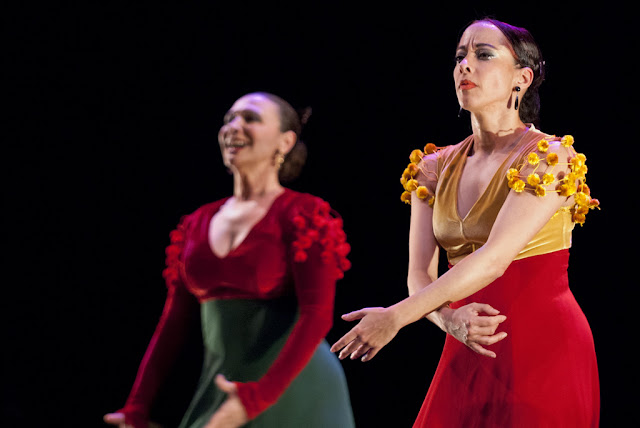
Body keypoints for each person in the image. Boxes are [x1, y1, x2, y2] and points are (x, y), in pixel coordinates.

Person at [330, 18, 600, 427]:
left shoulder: (549, 156)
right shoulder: (433, 167)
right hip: (467, 342)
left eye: (483, 54)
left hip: (542, 344)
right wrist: (448, 320)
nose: (465, 65)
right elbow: (419, 273)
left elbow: (494, 259)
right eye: (460, 56)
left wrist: (396, 318)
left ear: (521, 79)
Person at [104, 92, 355, 428]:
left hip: (291, 384)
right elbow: (173, 323)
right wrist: (136, 407)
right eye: (229, 119)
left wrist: (257, 398)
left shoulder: (303, 214)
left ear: (285, 141)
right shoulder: (196, 223)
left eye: (250, 118)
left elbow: (317, 315)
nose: (233, 127)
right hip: (226, 385)